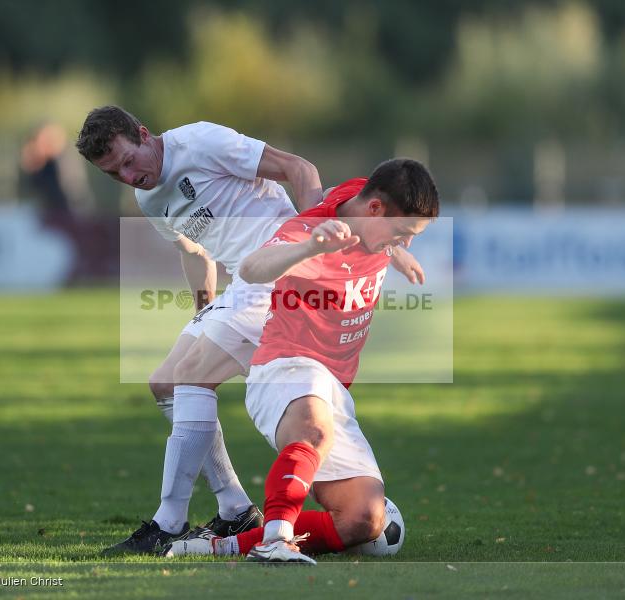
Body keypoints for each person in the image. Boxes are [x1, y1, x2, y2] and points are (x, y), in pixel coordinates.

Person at [76, 107, 427, 555]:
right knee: (165, 382)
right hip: (242, 288)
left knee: (189, 379)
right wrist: (203, 311)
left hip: (274, 270)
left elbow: (298, 168)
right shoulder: (148, 200)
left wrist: (315, 237)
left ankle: (170, 523)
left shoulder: (199, 142)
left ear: (144, 135)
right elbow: (195, 253)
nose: (128, 176)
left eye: (128, 161)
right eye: (113, 174)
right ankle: (234, 508)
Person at [164, 158, 439, 563]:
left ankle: (216, 546)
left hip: (332, 385)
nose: (405, 242)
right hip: (285, 366)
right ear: (376, 212)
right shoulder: (312, 235)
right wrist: (310, 247)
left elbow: (342, 193)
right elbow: (255, 267)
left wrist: (392, 248)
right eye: (402, 234)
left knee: (363, 518)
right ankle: (275, 541)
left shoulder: (362, 194)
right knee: (313, 430)